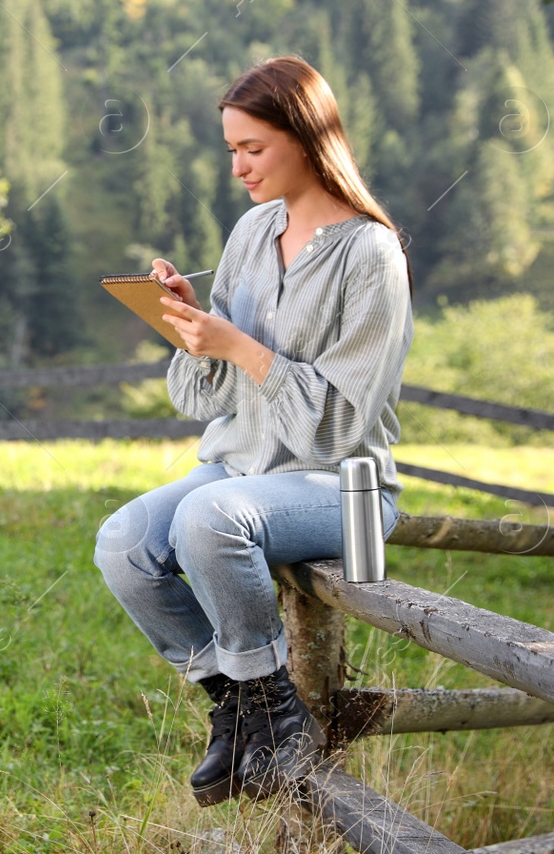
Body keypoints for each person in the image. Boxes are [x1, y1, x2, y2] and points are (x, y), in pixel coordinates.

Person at [92, 54, 415, 805]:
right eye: (232, 149)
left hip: (345, 486)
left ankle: (271, 713)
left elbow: (338, 424)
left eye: (252, 148)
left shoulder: (371, 255)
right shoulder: (251, 232)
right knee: (124, 544)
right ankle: (247, 705)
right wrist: (190, 330)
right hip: (243, 469)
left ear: (306, 137)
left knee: (210, 516)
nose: (238, 166)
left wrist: (239, 345)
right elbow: (209, 400)